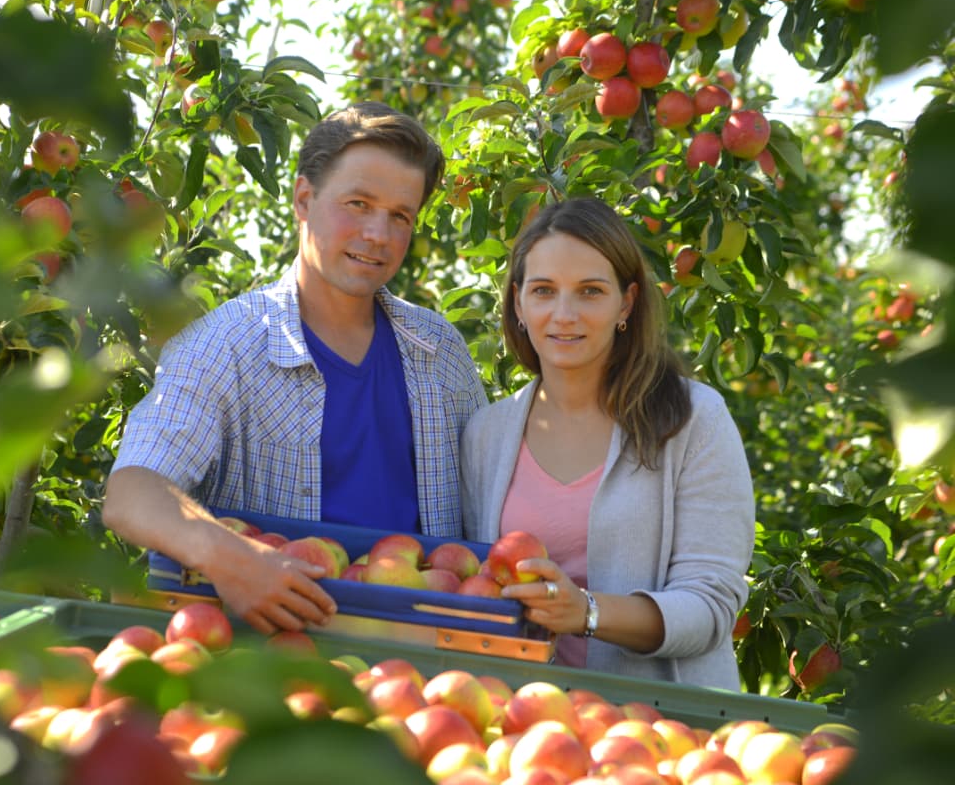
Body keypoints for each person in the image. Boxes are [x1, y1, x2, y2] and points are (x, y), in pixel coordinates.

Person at [104, 102, 488, 636]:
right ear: (304, 200)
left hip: (424, 661)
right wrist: (233, 559)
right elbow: (132, 491)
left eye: (400, 215)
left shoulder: (438, 350)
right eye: (358, 203)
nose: (378, 233)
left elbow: (491, 510)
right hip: (272, 656)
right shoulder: (226, 344)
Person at [460, 197, 754, 690]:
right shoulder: (487, 435)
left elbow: (713, 604)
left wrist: (588, 612)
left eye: (590, 292)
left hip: (663, 729)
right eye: (544, 291)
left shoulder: (693, 420)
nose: (564, 314)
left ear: (627, 302)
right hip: (523, 722)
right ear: (518, 303)